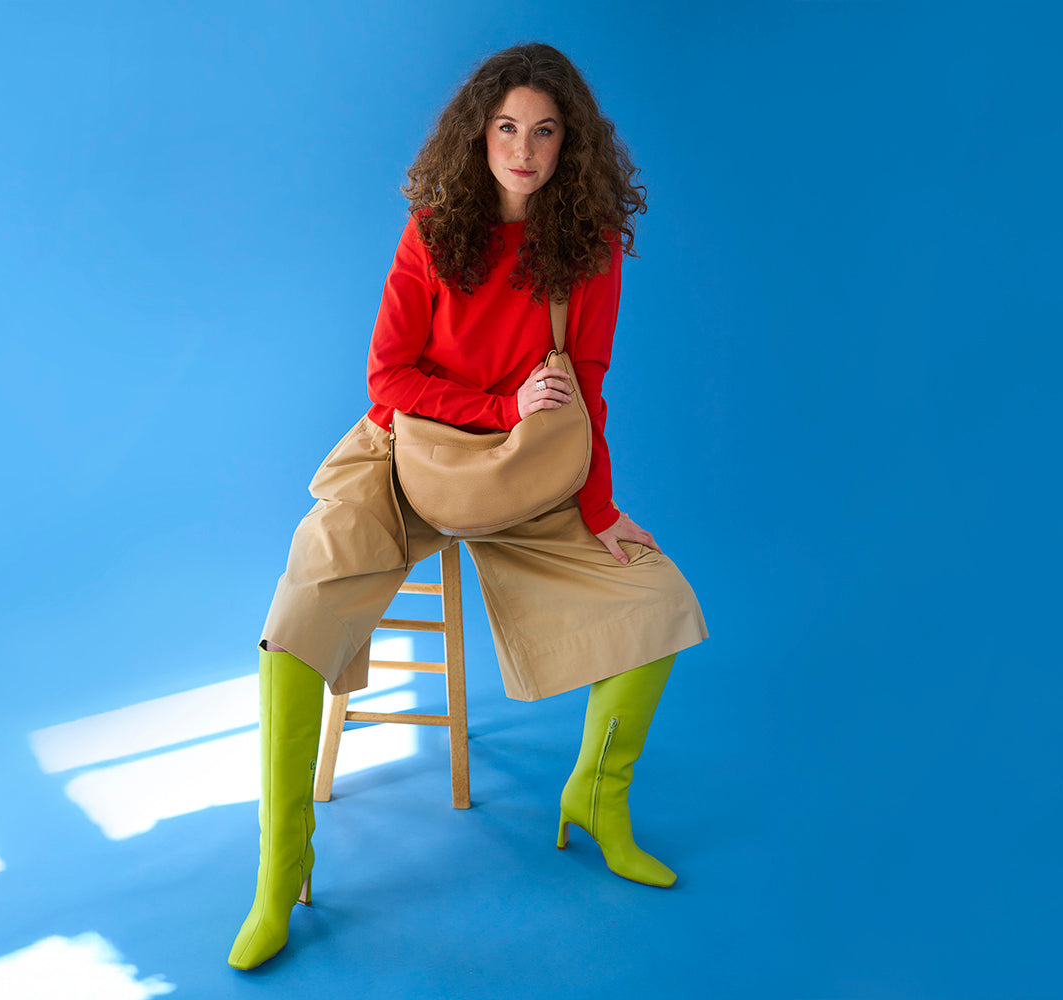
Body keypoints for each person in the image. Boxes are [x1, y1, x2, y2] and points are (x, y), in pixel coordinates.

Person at [228, 41, 708, 971]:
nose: (523, 150)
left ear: (570, 146)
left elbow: (590, 389)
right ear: (478, 136)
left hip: (527, 476)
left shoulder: (590, 250)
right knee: (295, 613)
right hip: (405, 452)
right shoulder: (435, 224)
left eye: (544, 133)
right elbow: (387, 378)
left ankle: (596, 799)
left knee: (661, 604)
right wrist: (496, 407)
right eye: (505, 130)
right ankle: (280, 866)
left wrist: (601, 510)